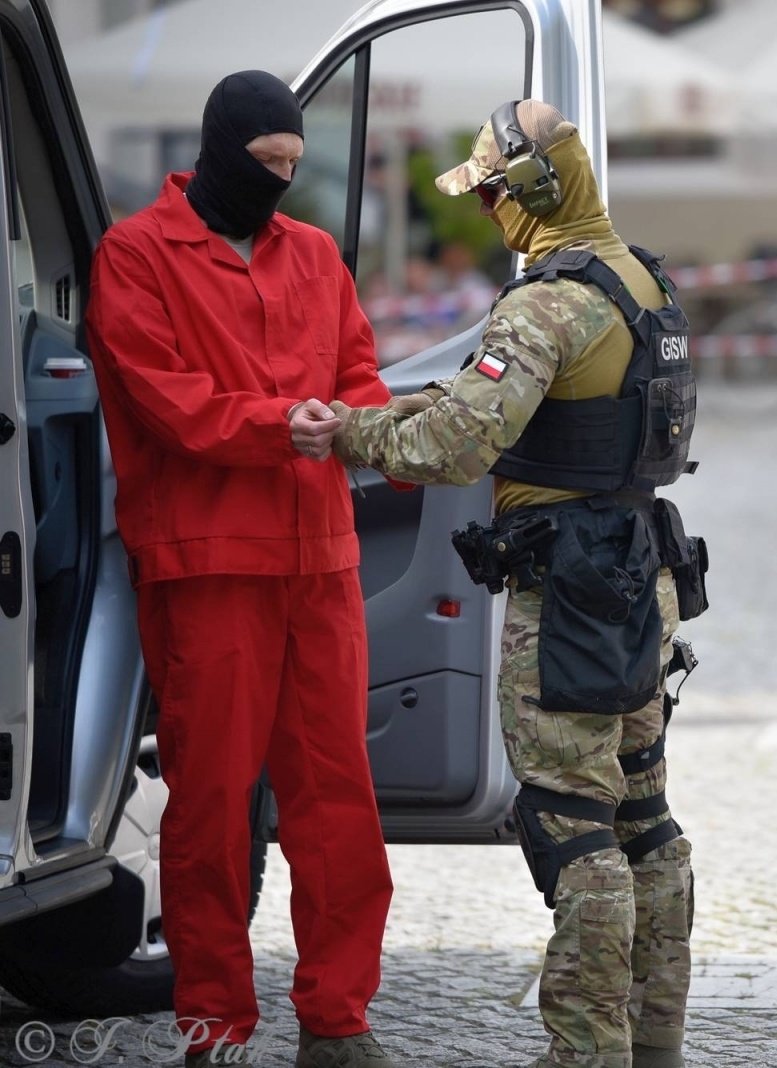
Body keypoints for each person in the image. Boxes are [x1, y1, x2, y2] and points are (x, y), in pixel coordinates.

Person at [328, 99, 702, 1068]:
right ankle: (652, 1041)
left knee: (570, 824)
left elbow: (458, 443)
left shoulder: (547, 300)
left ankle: (585, 1052)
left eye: (493, 191)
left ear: (531, 190)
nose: (489, 211)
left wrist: (349, 434)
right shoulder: (642, 279)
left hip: (568, 594)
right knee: (644, 818)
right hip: (643, 571)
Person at [83, 72, 397, 1068]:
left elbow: (359, 369)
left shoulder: (314, 255)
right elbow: (166, 398)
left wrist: (354, 418)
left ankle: (338, 1019)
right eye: (265, 167)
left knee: (339, 802)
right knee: (213, 807)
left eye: (294, 170)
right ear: (221, 152)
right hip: (207, 561)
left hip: (318, 560)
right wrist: (285, 424)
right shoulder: (135, 254)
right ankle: (214, 1019)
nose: (280, 185)